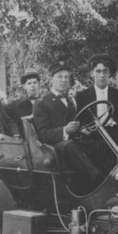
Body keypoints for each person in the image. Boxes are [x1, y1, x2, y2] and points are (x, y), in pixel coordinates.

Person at [33, 62, 104, 192]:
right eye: (60, 77)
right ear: (51, 79)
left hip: (72, 141)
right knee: (68, 146)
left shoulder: (71, 101)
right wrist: (65, 130)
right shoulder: (41, 102)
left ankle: (111, 175)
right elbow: (44, 134)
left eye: (66, 77)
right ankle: (99, 181)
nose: (64, 80)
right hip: (53, 146)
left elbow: (74, 124)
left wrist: (82, 129)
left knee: (99, 143)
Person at [76, 53, 118, 150]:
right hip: (94, 137)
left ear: (109, 74)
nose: (102, 75)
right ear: (92, 74)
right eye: (98, 71)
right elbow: (79, 122)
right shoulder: (81, 96)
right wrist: (83, 129)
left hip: (117, 136)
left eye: (105, 71)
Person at [6, 68, 41, 135]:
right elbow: (6, 117)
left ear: (38, 84)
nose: (32, 86)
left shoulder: (46, 101)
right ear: (24, 86)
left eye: (35, 82)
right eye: (29, 83)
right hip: (25, 141)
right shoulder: (16, 104)